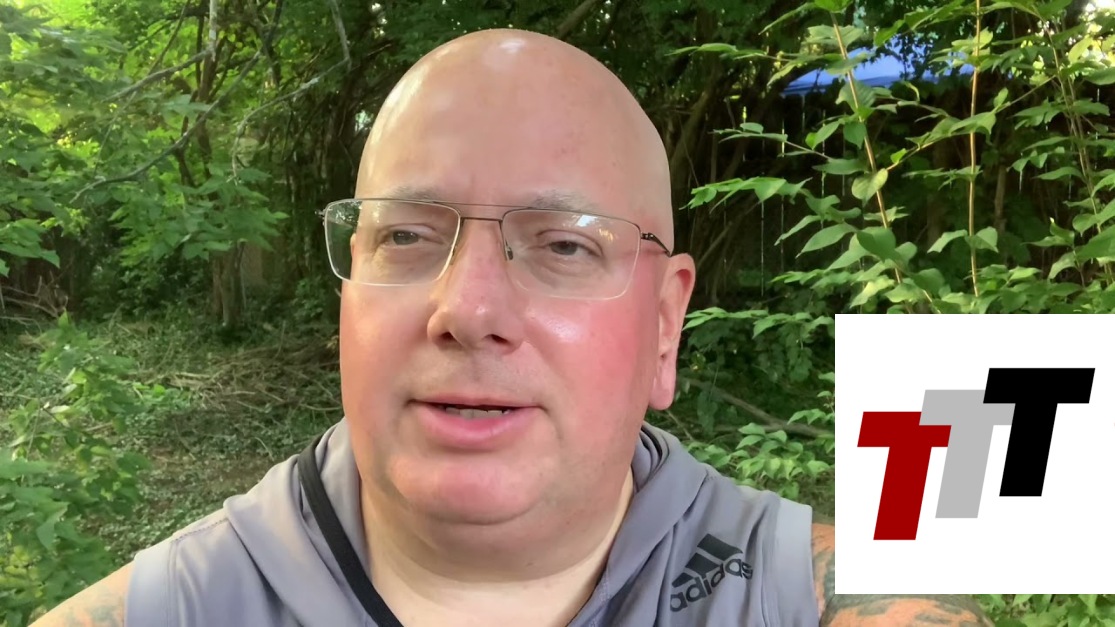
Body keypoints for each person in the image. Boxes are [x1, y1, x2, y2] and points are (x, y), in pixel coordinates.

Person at [32, 28, 993, 627]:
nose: (469, 311)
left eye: (564, 245)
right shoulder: (172, 607)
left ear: (665, 327)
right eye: (406, 236)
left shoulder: (809, 597)